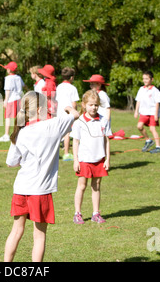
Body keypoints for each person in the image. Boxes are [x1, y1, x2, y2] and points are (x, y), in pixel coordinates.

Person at [4, 91, 79, 262]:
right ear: (39, 110)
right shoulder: (54, 125)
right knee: (39, 235)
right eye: (46, 108)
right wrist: (67, 107)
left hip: (21, 188)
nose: (49, 110)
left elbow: (11, 162)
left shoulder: (20, 132)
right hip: (40, 191)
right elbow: (75, 114)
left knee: (16, 231)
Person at [72, 90, 111, 224]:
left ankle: (96, 213)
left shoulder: (103, 120)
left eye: (96, 105)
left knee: (97, 185)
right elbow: (75, 142)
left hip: (99, 159)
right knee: (82, 186)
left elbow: (106, 140)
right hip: (84, 159)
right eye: (90, 105)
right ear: (84, 105)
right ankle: (77, 213)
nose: (93, 107)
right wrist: (76, 160)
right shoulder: (79, 122)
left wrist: (107, 159)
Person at [134, 70, 160, 153]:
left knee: (152, 129)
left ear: (151, 79)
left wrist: (156, 114)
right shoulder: (141, 89)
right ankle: (148, 140)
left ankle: (158, 147)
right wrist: (136, 111)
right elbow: (138, 101)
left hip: (152, 113)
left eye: (147, 78)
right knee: (139, 126)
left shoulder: (155, 91)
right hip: (143, 112)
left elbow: (157, 103)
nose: (145, 80)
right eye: (143, 79)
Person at [56, 67, 80, 161]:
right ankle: (66, 153)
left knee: (59, 132)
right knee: (67, 133)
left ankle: (56, 152)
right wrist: (75, 112)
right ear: (71, 77)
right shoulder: (72, 88)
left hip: (60, 111)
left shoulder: (59, 86)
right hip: (68, 112)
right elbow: (74, 103)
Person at [0, 62, 25, 142]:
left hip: (11, 100)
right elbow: (24, 86)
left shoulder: (8, 78)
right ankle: (20, 133)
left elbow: (8, 90)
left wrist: (5, 100)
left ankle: (6, 135)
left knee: (7, 117)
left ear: (9, 70)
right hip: (19, 99)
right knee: (19, 117)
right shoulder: (18, 77)